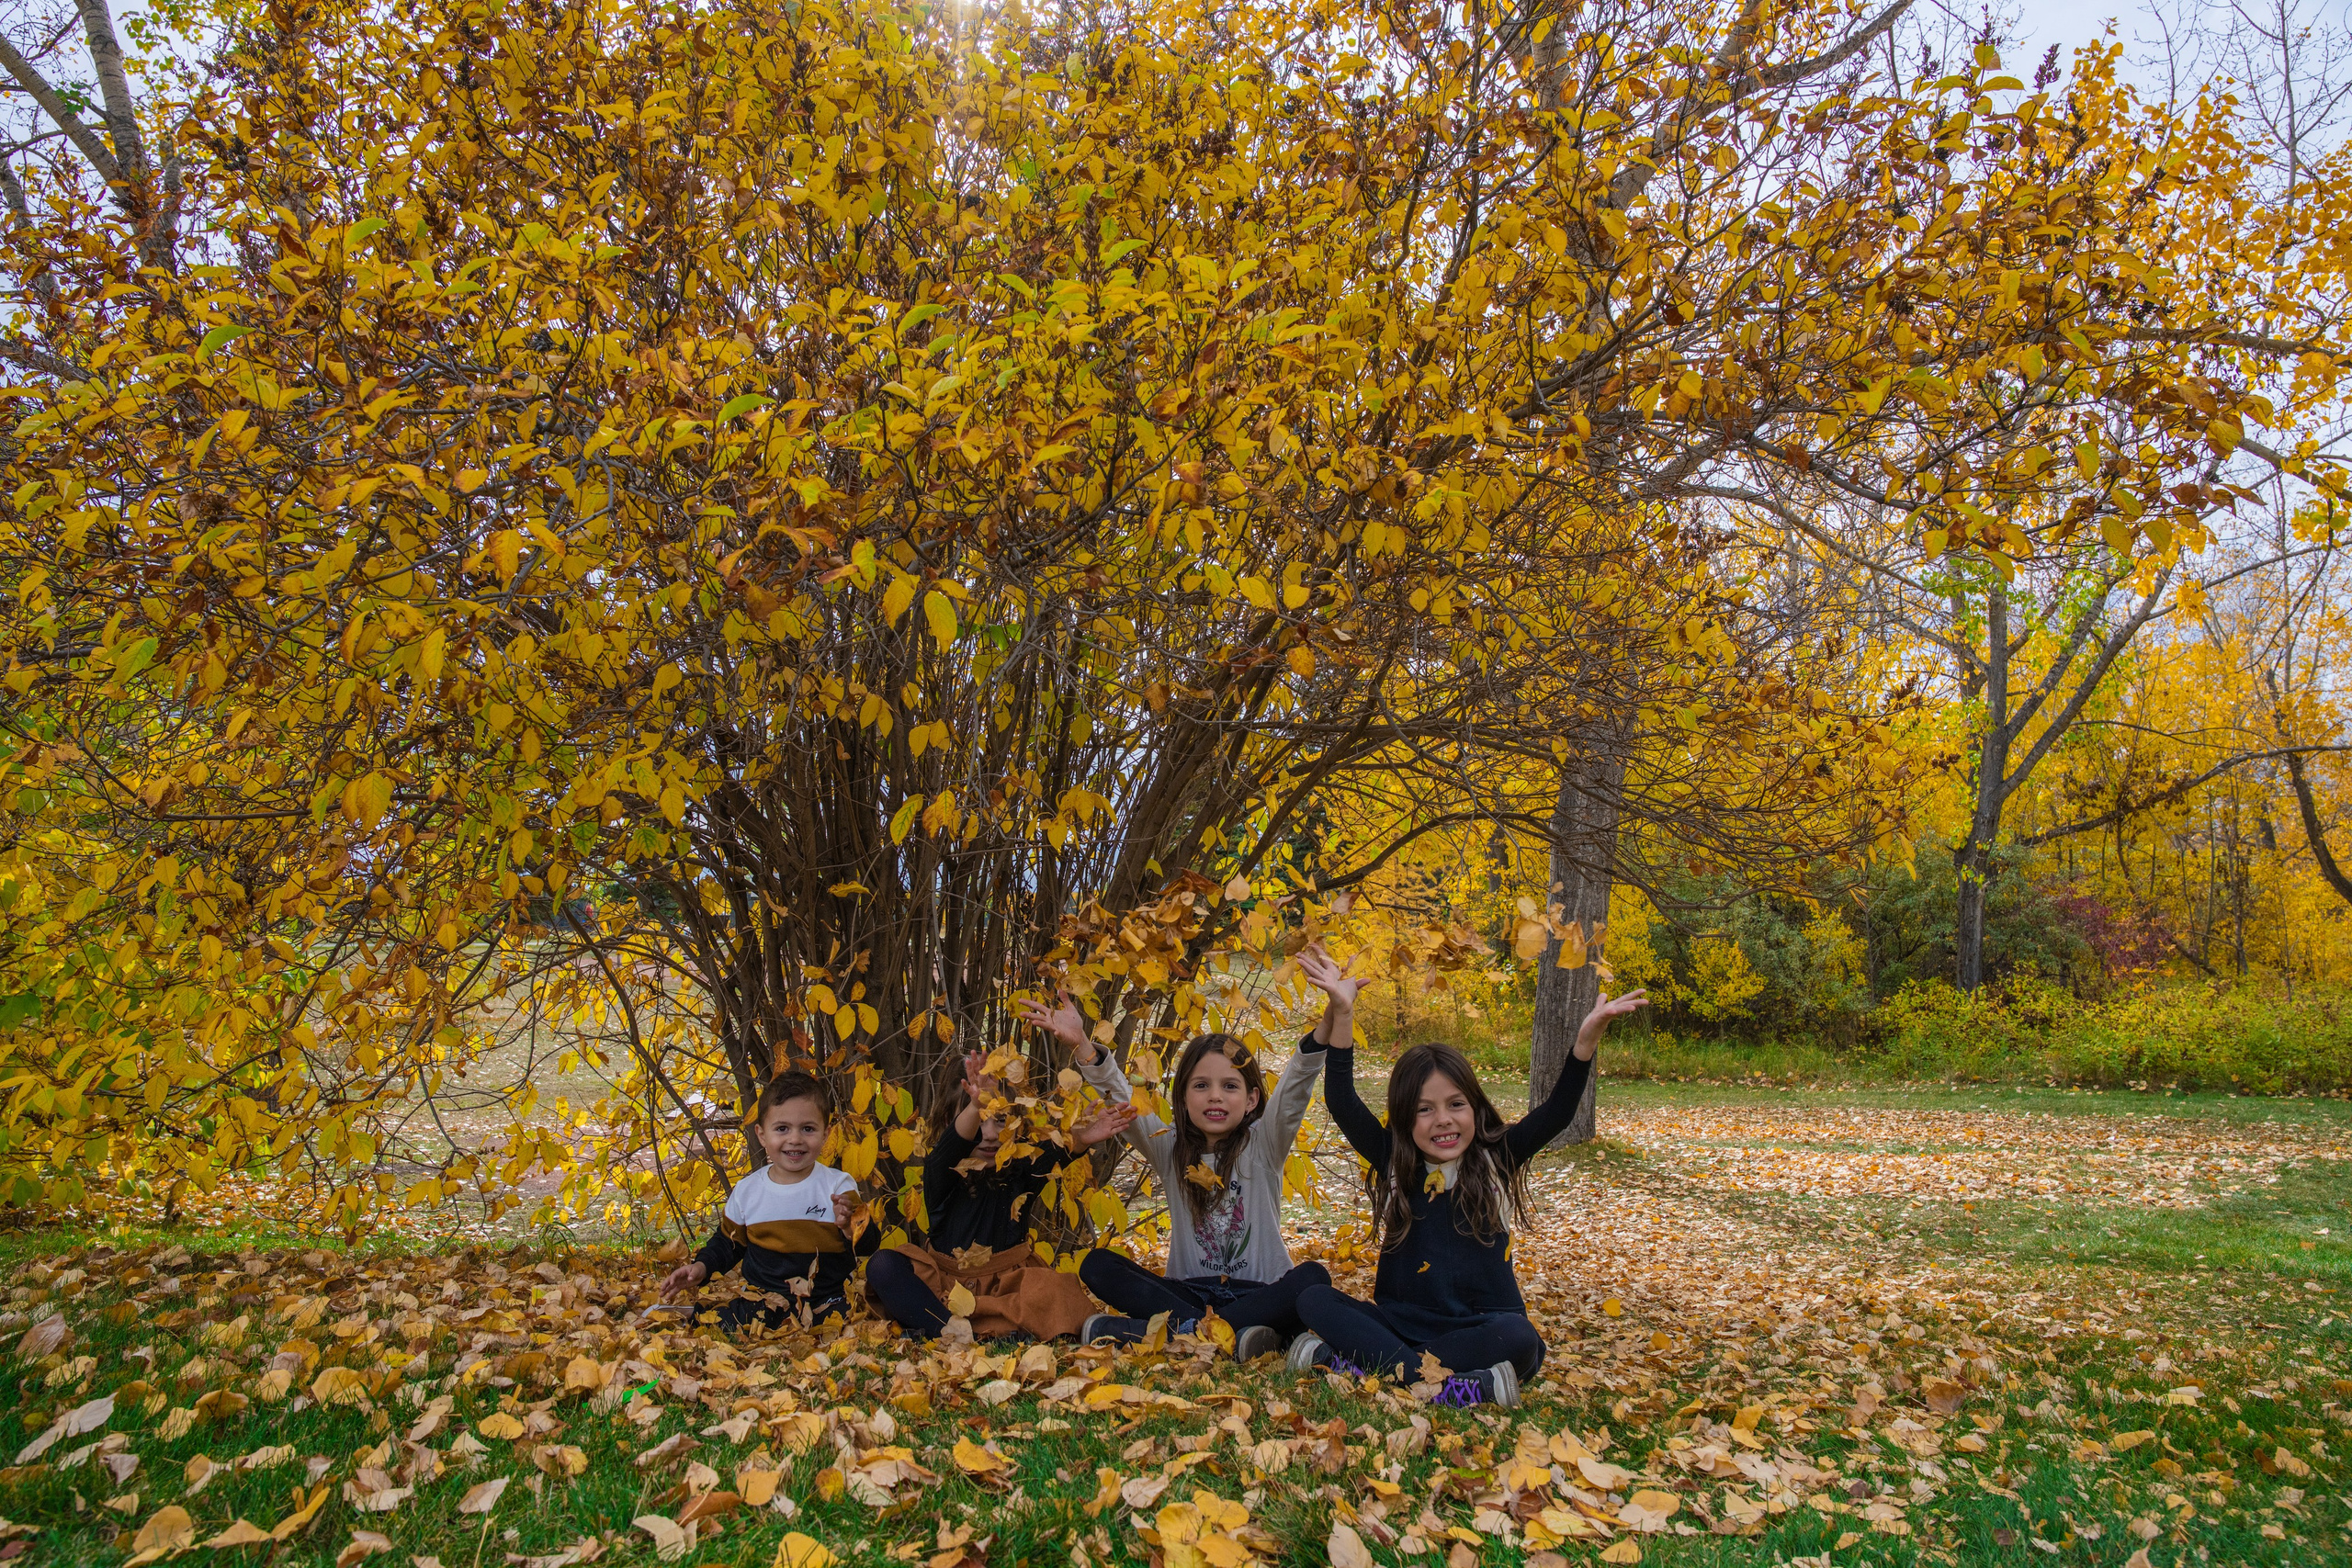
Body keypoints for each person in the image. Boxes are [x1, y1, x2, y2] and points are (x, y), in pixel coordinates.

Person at [1289, 946, 1646, 1406]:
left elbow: (1557, 1113)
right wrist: (1341, 1012)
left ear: (1474, 1107)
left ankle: (1358, 1366)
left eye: (1455, 1104)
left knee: (1521, 1340)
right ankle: (1451, 1387)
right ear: (1403, 1118)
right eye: (1424, 1109)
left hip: (1476, 1328)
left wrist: (1584, 1045)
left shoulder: (1496, 1158)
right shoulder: (1397, 1162)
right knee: (1315, 1299)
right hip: (1399, 1323)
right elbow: (1341, 1101)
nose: (1443, 1120)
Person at [1017, 989, 1331, 1360]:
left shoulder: (1264, 1144)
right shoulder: (1169, 1147)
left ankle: (1178, 1334)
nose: (1215, 1096)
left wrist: (1330, 1021)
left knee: (1314, 1279)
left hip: (1260, 1293)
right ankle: (1237, 1336)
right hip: (1188, 1293)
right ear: (1182, 1098)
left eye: (1230, 1086)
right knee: (1097, 1265)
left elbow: (1295, 1089)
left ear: (1251, 1101)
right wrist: (1084, 1045)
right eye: (1201, 1086)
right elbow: (1122, 1098)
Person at [865, 1048, 1138, 1340]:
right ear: (948, 1121)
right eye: (979, 1120)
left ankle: (995, 1329)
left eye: (1000, 1120)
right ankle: (948, 1331)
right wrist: (973, 1106)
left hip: (1010, 1289)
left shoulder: (1019, 1168)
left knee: (1054, 1289)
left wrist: (1081, 1136)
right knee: (884, 1265)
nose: (992, 1134)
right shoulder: (941, 1171)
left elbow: (1057, 1152)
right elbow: (951, 1147)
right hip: (947, 1294)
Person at [660, 1068, 878, 1332]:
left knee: (843, 1325)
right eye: (782, 1129)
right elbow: (728, 1244)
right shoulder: (748, 1191)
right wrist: (702, 1266)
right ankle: (686, 1314)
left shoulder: (837, 1185)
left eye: (808, 1129)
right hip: (765, 1299)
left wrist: (848, 1227)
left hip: (826, 1299)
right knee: (738, 1322)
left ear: (826, 1134)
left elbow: (869, 1245)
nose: (795, 1139)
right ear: (762, 1135)